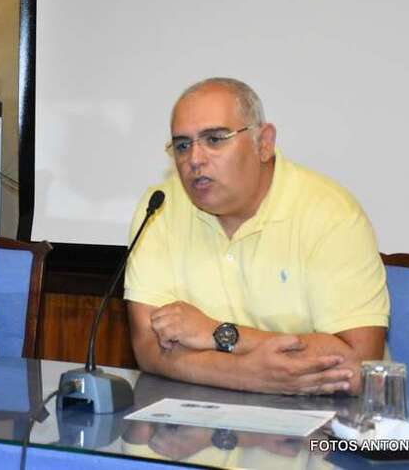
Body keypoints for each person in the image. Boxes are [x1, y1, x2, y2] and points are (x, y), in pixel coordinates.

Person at [124, 77, 389, 395]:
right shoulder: (161, 208)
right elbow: (149, 349)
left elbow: (358, 365)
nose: (194, 159)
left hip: (323, 428)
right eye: (182, 145)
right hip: (201, 421)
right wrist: (243, 374)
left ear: (264, 143)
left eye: (215, 139)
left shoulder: (331, 213)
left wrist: (218, 334)